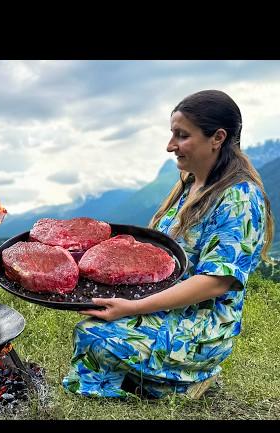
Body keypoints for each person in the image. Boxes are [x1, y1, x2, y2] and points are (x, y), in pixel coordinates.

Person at [63, 90, 275, 398]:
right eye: (172, 134)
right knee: (91, 325)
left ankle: (183, 380)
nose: (170, 146)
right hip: (169, 307)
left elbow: (216, 282)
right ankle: (153, 380)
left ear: (217, 137)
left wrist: (133, 307)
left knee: (95, 336)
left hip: (202, 325)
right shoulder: (189, 184)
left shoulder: (239, 197)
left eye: (182, 136)